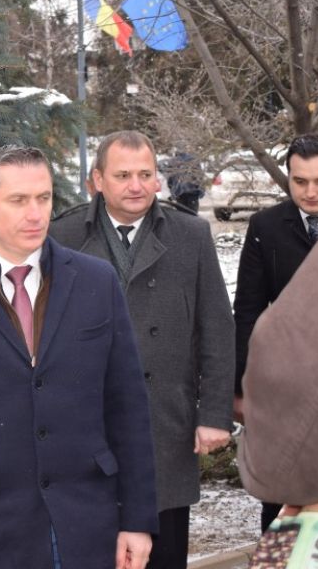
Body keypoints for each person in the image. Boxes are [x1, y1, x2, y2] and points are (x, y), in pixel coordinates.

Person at [0, 145, 157, 569]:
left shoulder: (97, 282)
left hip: (85, 521)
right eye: (18, 200)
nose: (35, 214)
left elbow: (128, 408)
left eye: (43, 198)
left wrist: (137, 519)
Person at [49, 130, 234, 569]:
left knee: (163, 549)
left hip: (165, 423)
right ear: (97, 180)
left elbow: (216, 327)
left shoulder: (191, 235)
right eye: (123, 175)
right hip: (84, 426)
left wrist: (214, 414)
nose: (136, 186)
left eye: (145, 175)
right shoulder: (62, 235)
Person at [233, 132, 318, 531]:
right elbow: (247, 311)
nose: (310, 192)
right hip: (287, 396)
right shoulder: (266, 227)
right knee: (283, 510)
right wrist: (241, 387)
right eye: (300, 181)